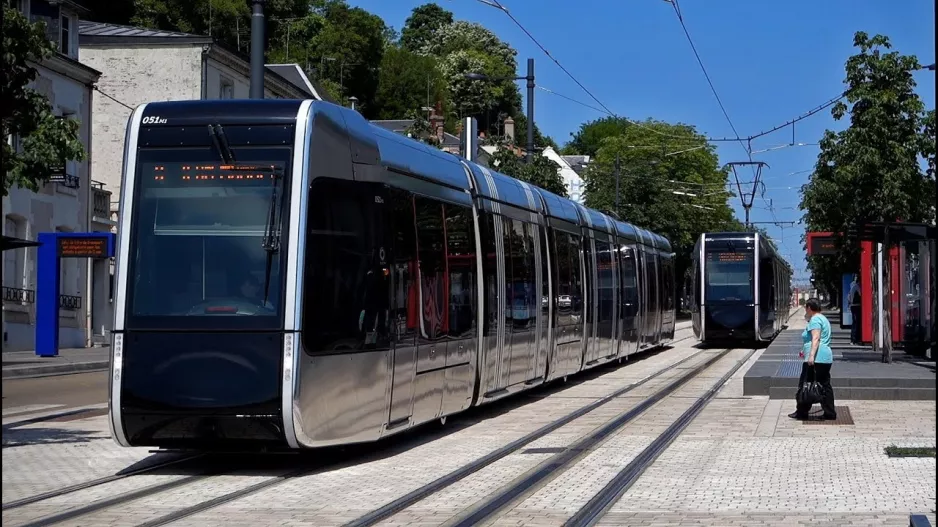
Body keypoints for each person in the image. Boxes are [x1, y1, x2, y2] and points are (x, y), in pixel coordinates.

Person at [790, 297, 836, 420]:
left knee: (805, 384)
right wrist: (804, 351)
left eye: (806, 307)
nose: (805, 310)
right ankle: (830, 412)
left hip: (816, 358)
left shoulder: (815, 320)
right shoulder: (823, 318)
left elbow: (816, 338)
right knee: (824, 385)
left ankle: (802, 412)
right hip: (824, 358)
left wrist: (811, 355)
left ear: (809, 308)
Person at [847, 274, 862, 344]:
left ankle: (854, 339)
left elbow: (848, 297)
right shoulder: (857, 287)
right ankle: (854, 339)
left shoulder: (853, 286)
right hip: (856, 306)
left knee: (855, 323)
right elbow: (861, 294)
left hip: (853, 306)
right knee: (856, 323)